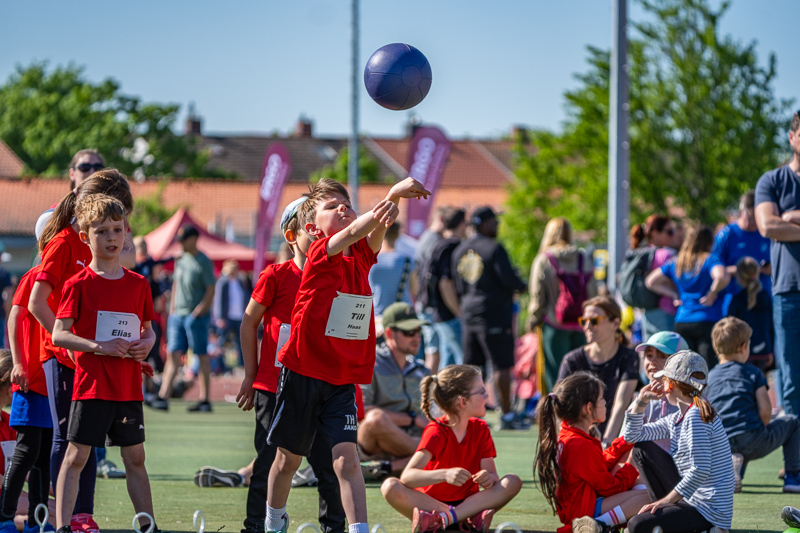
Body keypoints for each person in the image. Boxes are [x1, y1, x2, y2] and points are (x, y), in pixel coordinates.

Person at [264, 177, 430, 533]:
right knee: (288, 459)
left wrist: (395, 201)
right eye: (331, 206)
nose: (343, 207)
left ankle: (359, 530)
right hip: (303, 372)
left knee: (347, 460)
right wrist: (391, 194)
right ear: (313, 229)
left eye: (347, 203)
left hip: (340, 379)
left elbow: (375, 227)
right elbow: (357, 229)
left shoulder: (362, 257)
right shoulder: (320, 253)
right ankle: (274, 522)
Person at [29, 170, 134, 533]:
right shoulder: (63, 243)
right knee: (67, 438)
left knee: (87, 438)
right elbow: (36, 303)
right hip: (62, 356)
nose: (116, 232)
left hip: (93, 356)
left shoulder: (100, 245)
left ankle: (82, 515)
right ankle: (63, 518)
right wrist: (68, 343)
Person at [235, 197, 344, 533]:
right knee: (268, 462)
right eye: (312, 231)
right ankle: (257, 526)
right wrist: (251, 375)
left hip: (321, 386)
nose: (320, 236)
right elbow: (248, 322)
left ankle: (334, 527)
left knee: (329, 466)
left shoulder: (336, 275)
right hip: (273, 387)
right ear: (292, 236)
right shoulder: (275, 275)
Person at [51, 194, 157, 533]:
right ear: (85, 237)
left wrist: (145, 345)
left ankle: (148, 526)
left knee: (135, 458)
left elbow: (149, 331)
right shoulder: (77, 284)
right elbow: (58, 334)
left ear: (126, 231)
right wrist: (100, 347)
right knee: (77, 457)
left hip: (128, 388)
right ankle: (63, 527)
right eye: (102, 231)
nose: (112, 238)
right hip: (91, 387)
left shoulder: (139, 284)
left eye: (117, 230)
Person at [380, 365, 521, 533]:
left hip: (469, 503)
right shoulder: (436, 431)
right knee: (390, 486)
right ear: (463, 402)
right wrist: (444, 474)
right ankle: (461, 520)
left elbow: (493, 476)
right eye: (482, 392)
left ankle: (445, 520)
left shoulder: (481, 429)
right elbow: (408, 477)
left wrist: (488, 478)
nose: (487, 396)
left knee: (512, 481)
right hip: (431, 505)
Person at [622, 350, 734, 533]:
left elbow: (700, 469)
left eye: (664, 379)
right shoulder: (679, 417)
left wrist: (666, 500)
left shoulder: (695, 416)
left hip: (708, 511)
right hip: (693, 500)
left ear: (670, 385)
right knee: (641, 449)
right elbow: (631, 437)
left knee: (636, 525)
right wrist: (641, 401)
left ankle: (711, 529)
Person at [534, 371, 649, 533]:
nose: (605, 402)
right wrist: (631, 465)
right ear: (589, 408)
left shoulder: (570, 435)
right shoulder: (580, 445)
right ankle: (598, 525)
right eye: (601, 399)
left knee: (629, 460)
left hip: (581, 504)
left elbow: (598, 465)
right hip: (583, 511)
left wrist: (625, 443)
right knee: (648, 497)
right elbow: (610, 488)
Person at [452, 206, 527, 430]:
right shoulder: (494, 248)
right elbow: (510, 280)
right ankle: (507, 415)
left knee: (472, 369)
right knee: (501, 366)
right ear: (484, 224)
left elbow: (458, 285)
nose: (498, 225)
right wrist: (522, 285)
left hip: (469, 315)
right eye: (494, 222)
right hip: (494, 315)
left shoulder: (460, 250)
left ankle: (467, 415)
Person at [705, 317, 800, 493]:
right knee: (792, 422)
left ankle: (730, 471)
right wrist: (759, 428)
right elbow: (765, 411)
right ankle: (792, 477)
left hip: (720, 444)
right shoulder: (753, 372)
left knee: (735, 432)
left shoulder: (709, 377)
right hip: (752, 440)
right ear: (743, 347)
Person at [3, 268, 56, 533]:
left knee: (44, 456)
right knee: (26, 451)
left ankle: (37, 522)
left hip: (55, 380)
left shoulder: (75, 276)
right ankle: (3, 518)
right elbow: (14, 316)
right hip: (31, 379)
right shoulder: (35, 275)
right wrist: (19, 363)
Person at [358, 302, 431, 480]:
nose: (417, 337)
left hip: (409, 441)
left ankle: (386, 468)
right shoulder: (370, 362)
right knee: (376, 419)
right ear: (389, 333)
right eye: (409, 332)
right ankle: (433, 457)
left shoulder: (423, 370)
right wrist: (413, 419)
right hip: (374, 440)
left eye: (418, 331)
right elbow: (361, 411)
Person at [557, 297, 639, 445]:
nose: (587, 326)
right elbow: (561, 408)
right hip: (577, 441)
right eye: (584, 321)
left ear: (615, 323)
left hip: (614, 440)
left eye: (594, 320)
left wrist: (606, 444)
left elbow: (620, 405)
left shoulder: (629, 357)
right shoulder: (571, 360)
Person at [527, 217, 596, 393]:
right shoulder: (583, 258)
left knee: (555, 376)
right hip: (581, 324)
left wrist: (534, 319)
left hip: (554, 324)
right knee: (579, 375)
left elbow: (537, 295)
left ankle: (558, 408)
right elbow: (593, 291)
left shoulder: (545, 259)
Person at [645, 224, 729, 367]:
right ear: (709, 242)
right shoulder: (710, 259)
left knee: (686, 370)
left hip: (682, 320)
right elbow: (721, 276)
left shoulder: (677, 262)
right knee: (707, 369)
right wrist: (712, 292)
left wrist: (673, 294)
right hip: (707, 319)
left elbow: (651, 281)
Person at [152, 224, 216, 412]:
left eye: (183, 240)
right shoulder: (181, 259)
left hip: (196, 317)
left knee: (200, 355)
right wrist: (172, 310)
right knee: (173, 353)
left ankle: (205, 400)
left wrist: (198, 312)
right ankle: (163, 396)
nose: (180, 244)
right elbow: (176, 285)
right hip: (177, 315)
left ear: (194, 239)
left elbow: (211, 290)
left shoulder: (204, 261)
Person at [420, 208, 467, 370]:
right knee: (463, 363)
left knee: (448, 363)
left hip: (439, 313)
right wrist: (459, 312)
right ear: (462, 224)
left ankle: (440, 388)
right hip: (449, 314)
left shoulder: (439, 244)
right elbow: (445, 283)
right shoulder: (451, 247)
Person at [713, 190, 772, 315]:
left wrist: (770, 269)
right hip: (734, 301)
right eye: (750, 218)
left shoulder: (766, 234)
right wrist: (742, 270)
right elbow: (713, 268)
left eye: (756, 218)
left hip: (762, 301)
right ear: (741, 212)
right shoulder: (727, 235)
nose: (753, 223)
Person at [630, 331, 688, 455]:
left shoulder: (690, 400)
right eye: (649, 355)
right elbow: (627, 438)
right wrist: (640, 402)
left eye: (662, 356)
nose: (653, 361)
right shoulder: (641, 398)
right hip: (648, 464)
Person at [628, 215, 677, 339]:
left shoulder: (643, 252)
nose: (673, 235)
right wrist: (674, 293)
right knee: (666, 349)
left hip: (647, 312)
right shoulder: (665, 254)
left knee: (650, 349)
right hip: (666, 311)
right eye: (669, 231)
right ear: (655, 234)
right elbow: (670, 282)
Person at [728, 257, 774, 373]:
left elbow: (730, 328)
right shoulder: (765, 298)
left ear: (739, 277)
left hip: (742, 352)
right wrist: (770, 350)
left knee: (744, 382)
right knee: (761, 381)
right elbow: (771, 325)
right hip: (764, 350)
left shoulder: (737, 300)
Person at [368, 222, 414, 318]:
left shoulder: (370, 260)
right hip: (403, 313)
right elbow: (414, 289)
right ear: (398, 235)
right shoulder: (407, 260)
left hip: (377, 314)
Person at [213, 259, 250, 369]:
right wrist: (220, 317)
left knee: (241, 342)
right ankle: (220, 365)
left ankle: (242, 365)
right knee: (222, 341)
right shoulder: (223, 282)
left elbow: (245, 297)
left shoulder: (240, 282)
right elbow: (219, 300)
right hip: (227, 317)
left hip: (239, 316)